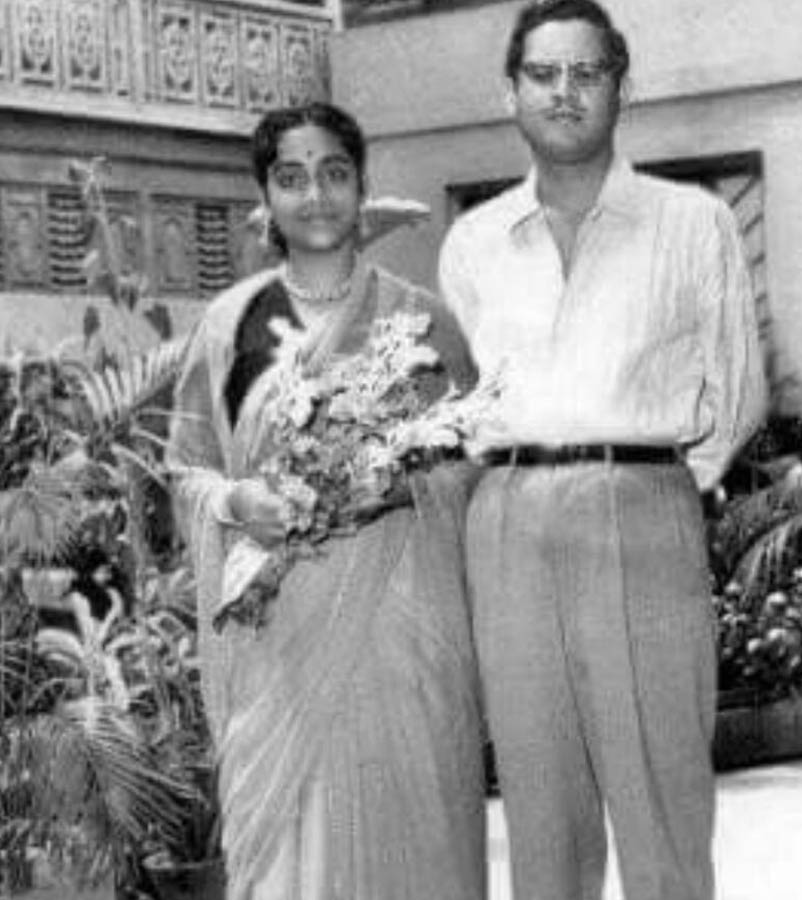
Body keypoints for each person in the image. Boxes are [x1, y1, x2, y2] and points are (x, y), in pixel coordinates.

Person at [438, 2, 767, 899]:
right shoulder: (472, 243)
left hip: (643, 510)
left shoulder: (691, 223)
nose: (565, 92)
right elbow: (469, 399)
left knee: (662, 798)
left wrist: (645, 483)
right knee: (540, 808)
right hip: (505, 519)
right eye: (544, 74)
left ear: (624, 84)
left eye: (587, 73)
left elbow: (737, 394)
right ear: (510, 92)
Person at [168, 102, 485, 900]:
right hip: (277, 641)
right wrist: (239, 499)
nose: (316, 195)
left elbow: (477, 463)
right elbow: (186, 470)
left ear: (361, 184)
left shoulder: (422, 321)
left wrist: (397, 481)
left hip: (402, 629)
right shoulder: (229, 324)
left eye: (335, 174)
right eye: (291, 177)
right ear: (265, 198)